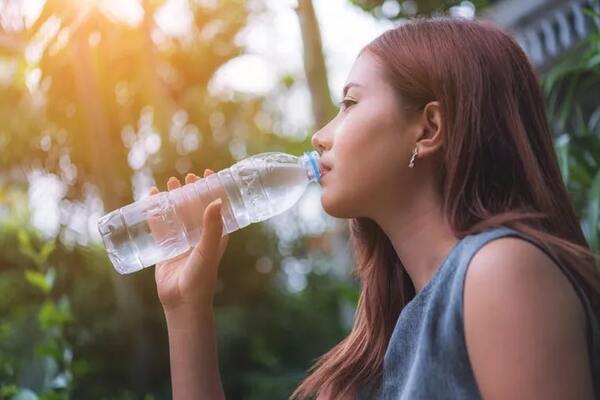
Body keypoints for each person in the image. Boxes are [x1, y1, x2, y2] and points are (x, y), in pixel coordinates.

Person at [148, 17, 600, 400]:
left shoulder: (501, 271)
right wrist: (186, 309)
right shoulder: (395, 334)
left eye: (350, 103)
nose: (320, 136)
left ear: (428, 128)